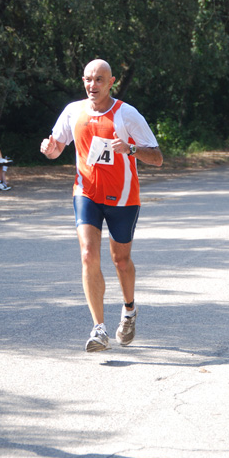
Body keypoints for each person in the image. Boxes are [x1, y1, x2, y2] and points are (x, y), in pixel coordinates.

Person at [40, 59, 163, 352]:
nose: (92, 85)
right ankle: (99, 328)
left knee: (120, 261)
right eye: (88, 79)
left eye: (99, 80)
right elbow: (56, 148)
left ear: (112, 82)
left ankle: (129, 310)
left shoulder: (127, 114)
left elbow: (157, 157)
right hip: (86, 193)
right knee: (87, 254)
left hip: (122, 198)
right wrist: (49, 149)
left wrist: (130, 148)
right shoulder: (73, 111)